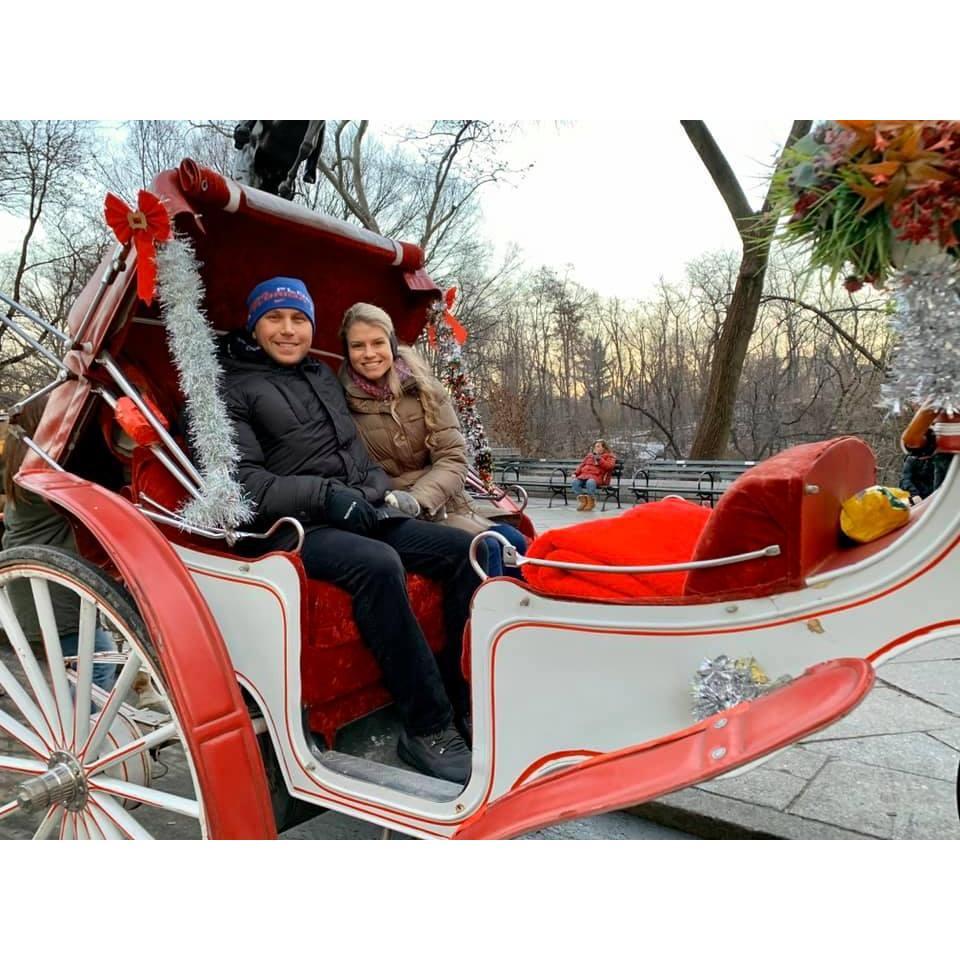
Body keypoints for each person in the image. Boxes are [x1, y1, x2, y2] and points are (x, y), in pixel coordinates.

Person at [221, 278, 476, 784]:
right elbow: (246, 482)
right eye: (274, 319)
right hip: (295, 526)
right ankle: (427, 726)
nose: (288, 330)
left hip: (357, 509)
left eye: (298, 319)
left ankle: (458, 698)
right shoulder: (232, 388)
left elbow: (356, 454)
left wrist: (373, 490)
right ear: (254, 326)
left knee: (463, 550)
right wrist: (327, 497)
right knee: (378, 564)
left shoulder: (321, 376)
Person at [338, 302, 528, 578]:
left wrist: (419, 499)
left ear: (391, 344)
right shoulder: (340, 402)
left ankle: (512, 606)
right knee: (485, 549)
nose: (369, 354)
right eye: (358, 346)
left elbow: (452, 457)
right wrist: (401, 502)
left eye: (377, 342)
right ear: (347, 352)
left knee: (514, 542)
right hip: (394, 511)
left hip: (445, 501)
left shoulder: (424, 388)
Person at [1, 397, 118, 695]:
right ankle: (89, 722)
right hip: (52, 591)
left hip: (39, 587)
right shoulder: (43, 473)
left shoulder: (23, 469)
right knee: (96, 664)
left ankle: (82, 715)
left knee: (79, 667)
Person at [900, 428, 951, 500]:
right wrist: (914, 494)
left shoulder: (940, 457)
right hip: (919, 497)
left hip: (939, 495)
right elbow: (905, 480)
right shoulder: (912, 459)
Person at [571, 440, 616, 512]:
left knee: (590, 482)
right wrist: (575, 473)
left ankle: (591, 502)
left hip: (597, 476)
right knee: (575, 482)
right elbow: (582, 465)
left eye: (598, 446)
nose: (596, 448)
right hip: (584, 475)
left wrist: (599, 459)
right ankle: (584, 502)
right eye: (595, 447)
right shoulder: (589, 455)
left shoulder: (609, 456)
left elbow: (609, 466)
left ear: (604, 447)